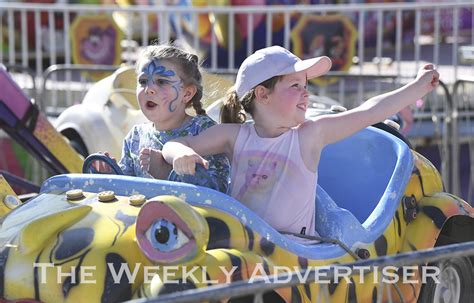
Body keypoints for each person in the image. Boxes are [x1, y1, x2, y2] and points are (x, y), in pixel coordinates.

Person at [161, 45, 439, 237]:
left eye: (306, 87)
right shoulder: (234, 135)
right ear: (262, 94)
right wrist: (179, 155)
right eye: (295, 86)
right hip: (248, 248)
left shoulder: (309, 135)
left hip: (298, 255)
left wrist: (418, 86)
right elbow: (177, 143)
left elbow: (369, 111)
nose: (306, 94)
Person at [96, 44, 230, 193]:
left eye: (162, 81)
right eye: (143, 81)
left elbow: (219, 191)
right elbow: (127, 191)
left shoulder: (204, 131)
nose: (149, 89)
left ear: (187, 94)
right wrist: (110, 176)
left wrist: (165, 172)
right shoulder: (135, 137)